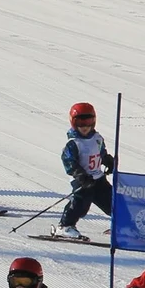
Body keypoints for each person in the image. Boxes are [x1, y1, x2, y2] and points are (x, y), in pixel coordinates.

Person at [52, 102, 115, 240]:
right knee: (81, 202)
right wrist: (81, 175)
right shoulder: (73, 143)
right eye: (81, 124)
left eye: (88, 124)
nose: (85, 128)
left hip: (98, 178)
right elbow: (69, 162)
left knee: (111, 200)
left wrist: (108, 161)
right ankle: (65, 226)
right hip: (83, 180)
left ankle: (120, 224)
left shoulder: (97, 138)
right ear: (74, 123)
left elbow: (101, 153)